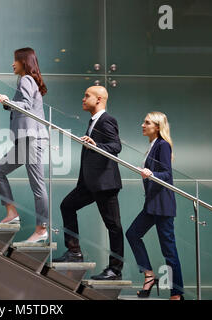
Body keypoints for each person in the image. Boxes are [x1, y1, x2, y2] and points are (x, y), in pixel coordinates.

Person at [53, 86, 124, 281]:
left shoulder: (107, 120)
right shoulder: (93, 121)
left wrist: (96, 145)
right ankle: (74, 252)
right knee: (67, 205)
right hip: (89, 183)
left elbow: (116, 146)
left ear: (99, 99)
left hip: (104, 183)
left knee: (113, 226)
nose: (83, 99)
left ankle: (115, 270)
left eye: (87, 96)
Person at [0, 47, 49, 243]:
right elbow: (25, 104)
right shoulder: (27, 81)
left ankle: (42, 229)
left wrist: (7, 100)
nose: (12, 64)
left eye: (15, 60)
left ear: (24, 62)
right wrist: (8, 103)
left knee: (37, 186)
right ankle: (12, 212)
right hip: (26, 139)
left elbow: (26, 105)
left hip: (32, 139)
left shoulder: (26, 79)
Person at [125, 111, 184, 300]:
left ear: (157, 127)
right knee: (132, 234)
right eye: (144, 122)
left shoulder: (163, 145)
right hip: (152, 204)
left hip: (163, 205)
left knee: (169, 250)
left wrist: (151, 174)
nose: (143, 125)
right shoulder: (152, 146)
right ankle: (149, 275)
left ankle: (177, 294)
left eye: (147, 122)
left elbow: (167, 174)